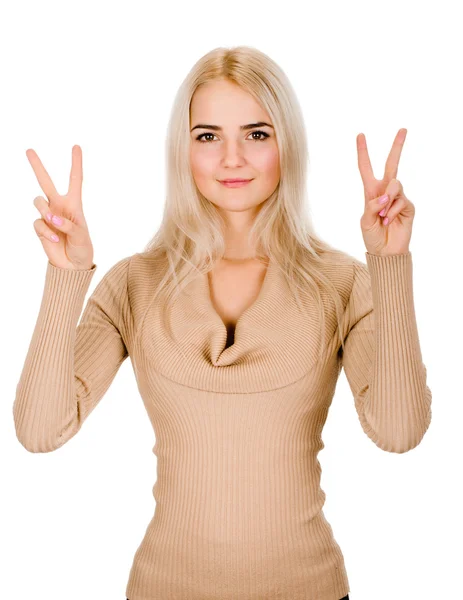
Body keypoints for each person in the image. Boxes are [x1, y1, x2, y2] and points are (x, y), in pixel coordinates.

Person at [13, 45, 432, 600]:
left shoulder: (342, 284)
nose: (231, 158)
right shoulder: (133, 283)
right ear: (183, 150)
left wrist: (390, 264)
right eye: (208, 136)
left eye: (256, 134)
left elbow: (399, 431)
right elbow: (40, 431)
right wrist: (66, 276)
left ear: (288, 146)